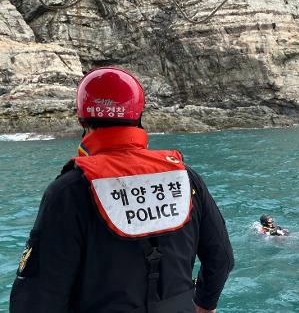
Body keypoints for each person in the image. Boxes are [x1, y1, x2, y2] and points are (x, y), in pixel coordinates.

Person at [10, 67, 234, 313]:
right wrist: (204, 306)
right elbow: (221, 259)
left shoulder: (68, 191)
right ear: (139, 116)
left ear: (81, 118)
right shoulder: (186, 178)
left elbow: (36, 298)